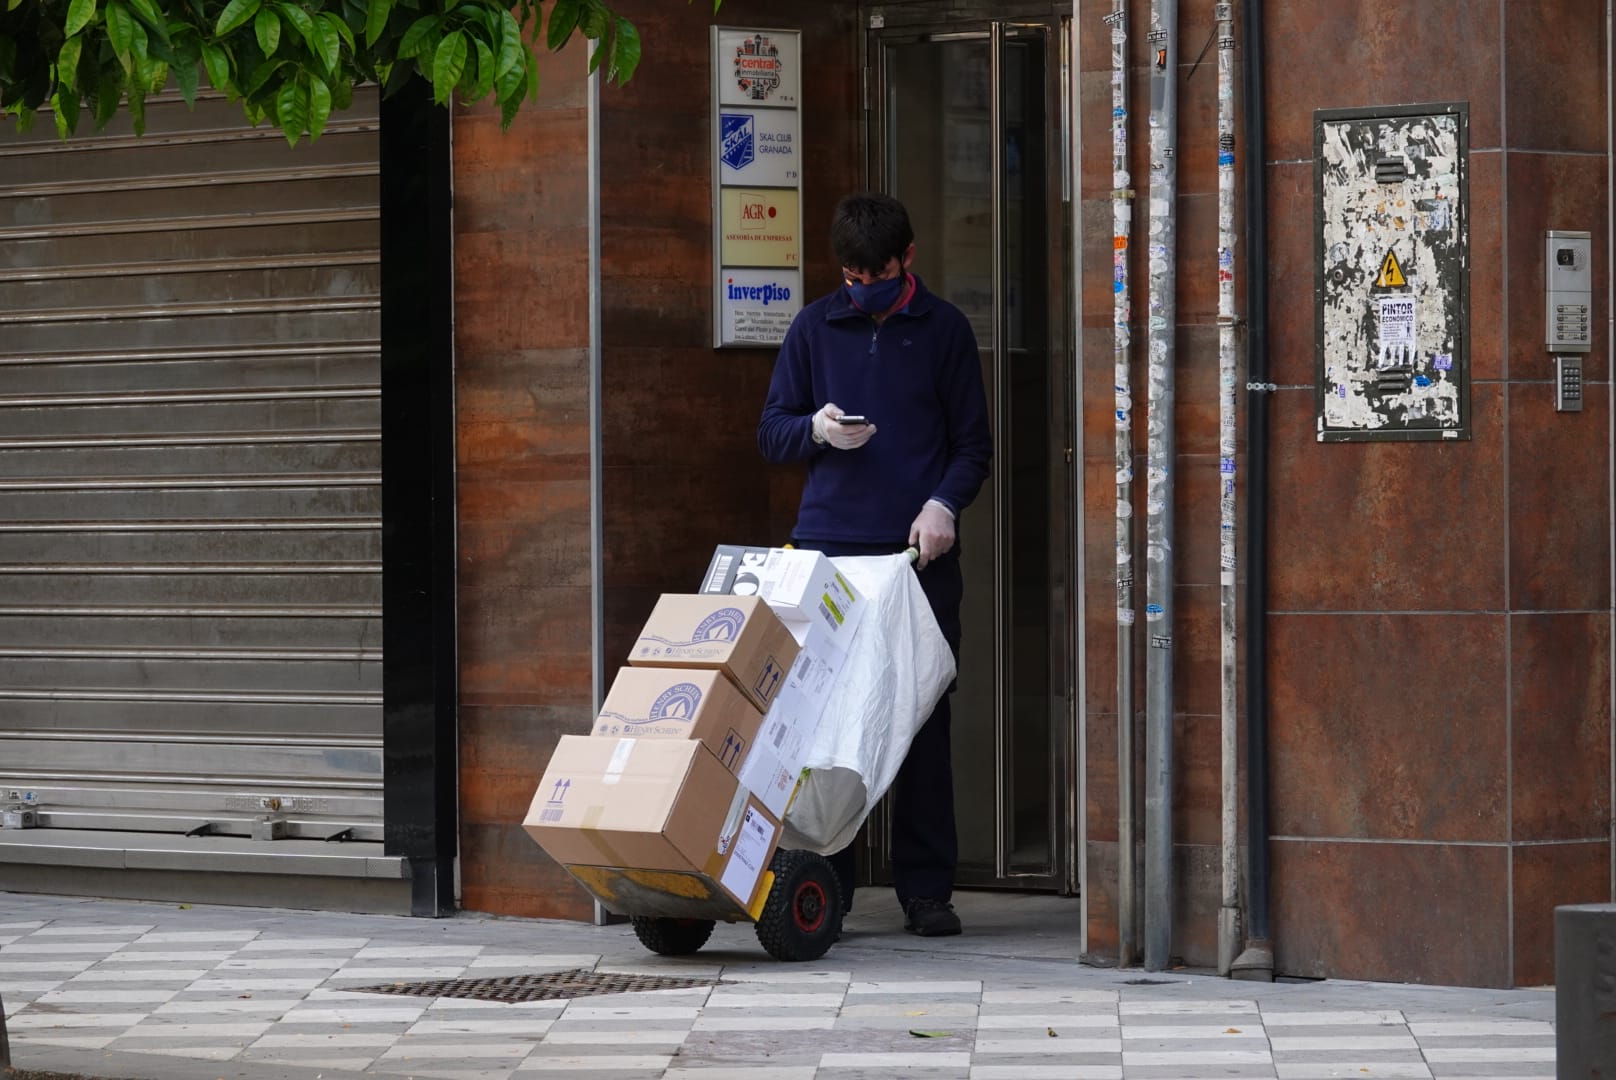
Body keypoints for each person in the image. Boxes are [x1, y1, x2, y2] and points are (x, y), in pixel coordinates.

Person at [756, 192, 992, 937]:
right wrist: (816, 430)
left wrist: (944, 507)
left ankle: (927, 891)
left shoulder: (944, 330)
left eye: (877, 274)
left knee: (919, 719)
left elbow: (973, 447)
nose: (863, 288)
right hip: (828, 552)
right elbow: (771, 432)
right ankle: (830, 881)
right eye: (852, 276)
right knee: (827, 728)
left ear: (907, 260)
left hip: (914, 555)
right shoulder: (814, 326)